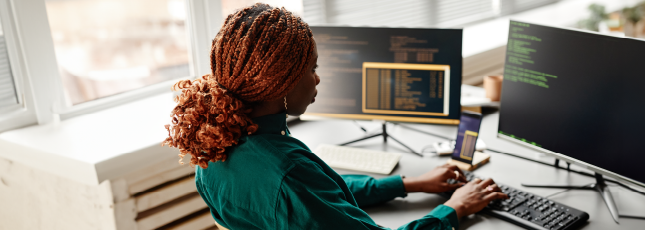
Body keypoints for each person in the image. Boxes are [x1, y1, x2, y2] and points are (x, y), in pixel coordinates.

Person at [162, 3, 507, 230]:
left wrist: (407, 184)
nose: (318, 78)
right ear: (281, 85)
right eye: (311, 69)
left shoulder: (214, 144)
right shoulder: (289, 172)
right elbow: (305, 194)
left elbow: (323, 197)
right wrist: (454, 209)